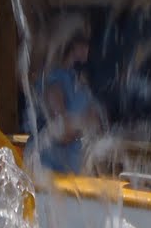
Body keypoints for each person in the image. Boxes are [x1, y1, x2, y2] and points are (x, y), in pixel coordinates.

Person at [35, 20, 108, 175]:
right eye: (84, 42)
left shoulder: (77, 79)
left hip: (73, 174)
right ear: (70, 44)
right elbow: (59, 130)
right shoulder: (54, 81)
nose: (88, 48)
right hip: (51, 174)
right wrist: (86, 121)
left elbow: (94, 129)